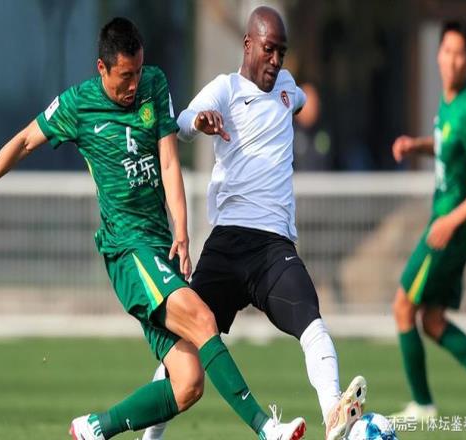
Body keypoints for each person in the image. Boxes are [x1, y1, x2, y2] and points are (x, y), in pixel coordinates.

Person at [0, 17, 307, 440]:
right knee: (203, 318)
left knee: (188, 383)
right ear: (102, 68)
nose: (133, 84)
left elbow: (169, 161)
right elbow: (23, 142)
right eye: (125, 76)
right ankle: (266, 428)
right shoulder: (77, 105)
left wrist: (182, 232)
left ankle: (94, 428)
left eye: (138, 72)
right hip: (128, 249)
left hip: (160, 246)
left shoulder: (154, 85)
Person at [143, 7, 367, 440]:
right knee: (185, 350)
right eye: (269, 49)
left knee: (312, 322)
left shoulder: (287, 88)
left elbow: (301, 101)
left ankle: (335, 414)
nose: (276, 60)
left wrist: (306, 102)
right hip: (227, 245)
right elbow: (183, 122)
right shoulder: (225, 89)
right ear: (248, 45)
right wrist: (200, 121)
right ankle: (150, 437)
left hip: (273, 248)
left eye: (282, 51)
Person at [391, 19, 466, 422]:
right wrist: (416, 145)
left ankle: (422, 405)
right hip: (448, 227)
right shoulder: (450, 102)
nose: (451, 60)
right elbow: (449, 145)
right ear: (438, 55)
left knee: (403, 307)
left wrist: (451, 221)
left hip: (449, 229)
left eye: (459, 54)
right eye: (446, 51)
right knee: (432, 321)